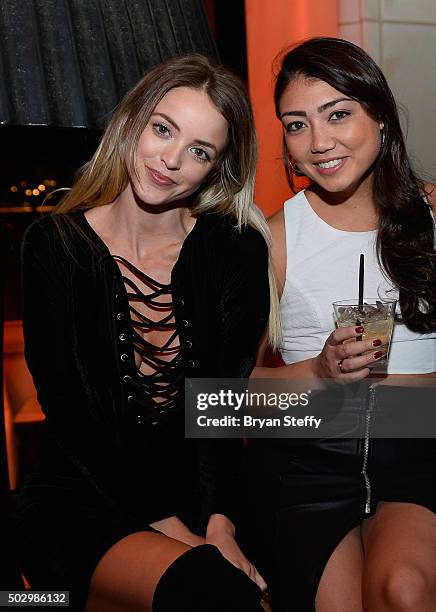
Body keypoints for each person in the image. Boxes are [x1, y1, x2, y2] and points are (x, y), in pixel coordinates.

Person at [13, 53, 279, 612]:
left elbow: (223, 407)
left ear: (216, 169)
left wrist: (220, 527)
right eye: (164, 129)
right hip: (85, 493)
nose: (172, 160)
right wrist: (185, 538)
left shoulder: (233, 250)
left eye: (199, 151)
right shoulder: (54, 248)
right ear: (133, 122)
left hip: (206, 498)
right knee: (213, 594)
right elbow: (75, 417)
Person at [250, 37, 436, 611]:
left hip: (417, 457)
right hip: (310, 467)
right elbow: (225, 398)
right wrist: (319, 372)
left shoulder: (432, 215)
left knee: (403, 591)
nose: (320, 142)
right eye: (296, 124)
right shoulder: (272, 238)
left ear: (379, 114)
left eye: (338, 115)